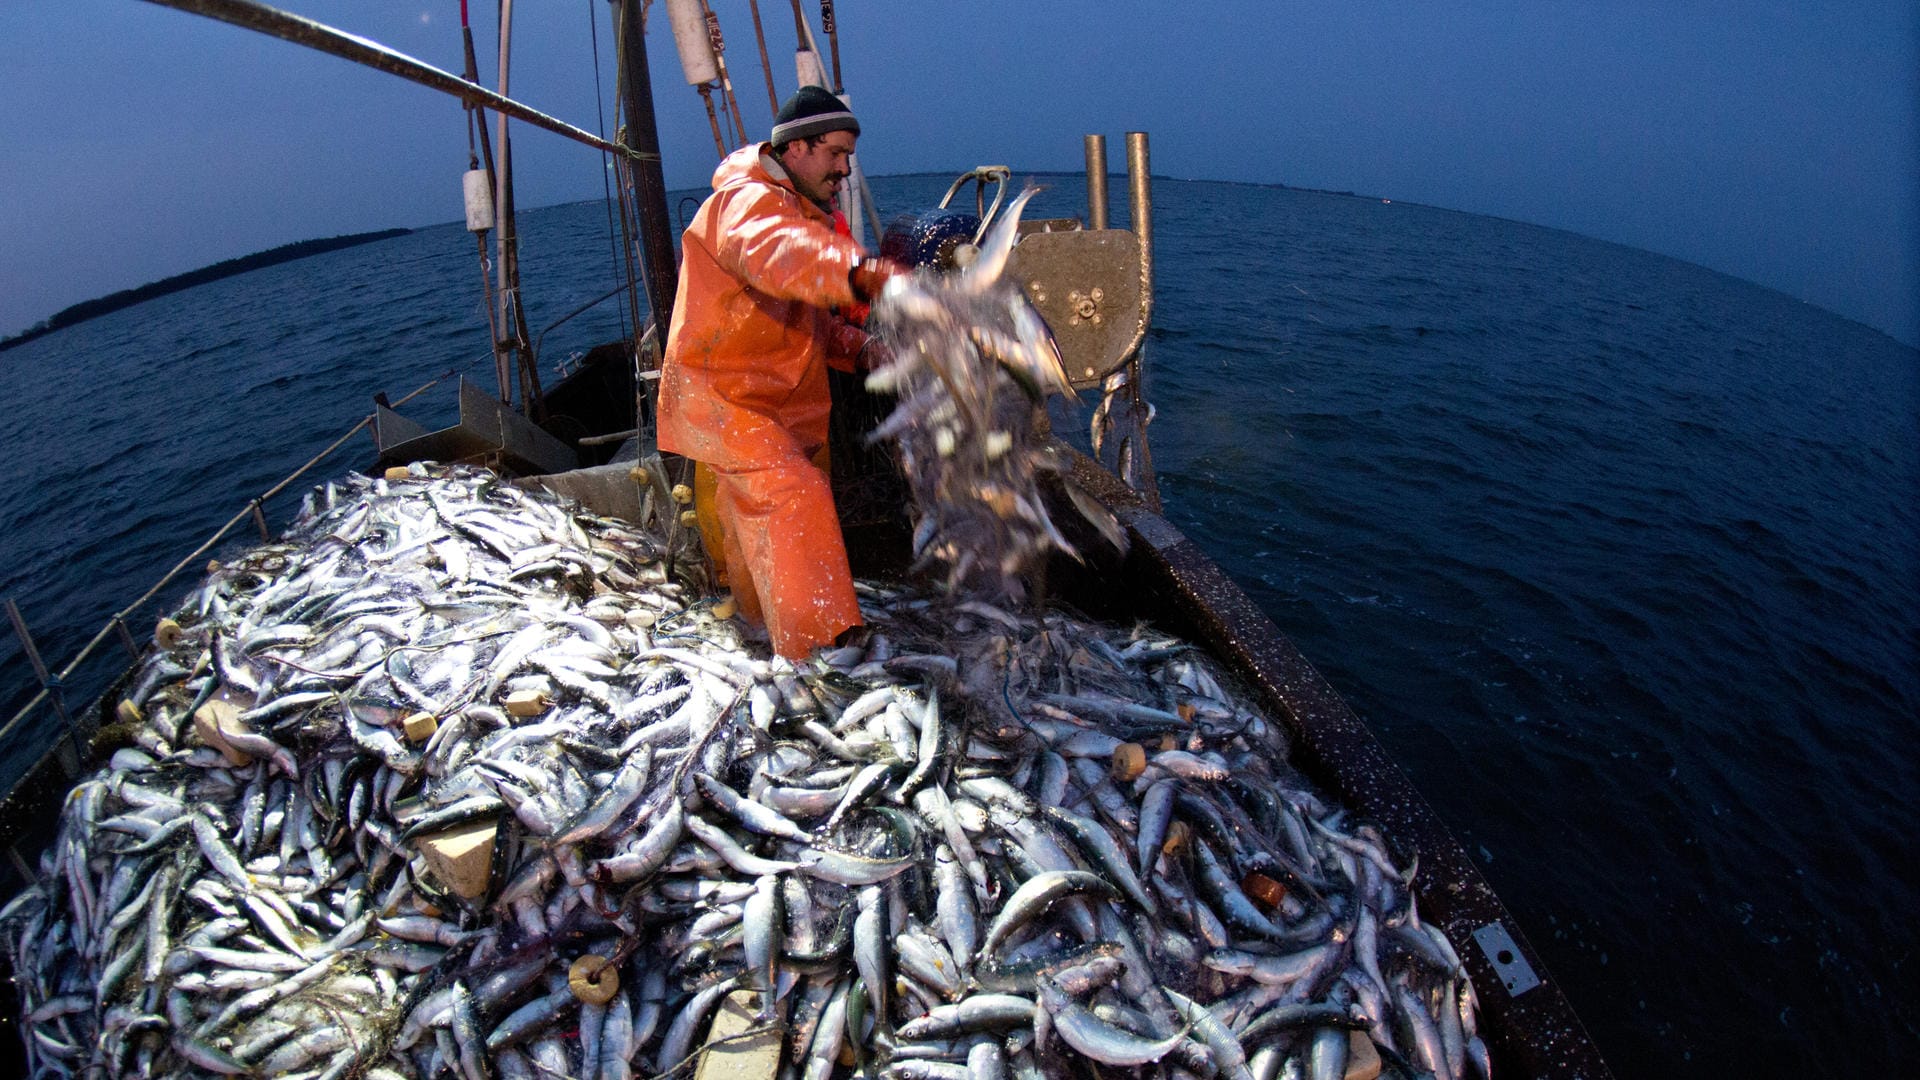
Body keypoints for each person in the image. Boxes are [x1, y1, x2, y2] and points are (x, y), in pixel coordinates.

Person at [656, 86, 907, 660]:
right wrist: (864, 275)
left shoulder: (798, 212)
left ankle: (758, 625)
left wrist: (863, 349)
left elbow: (804, 320)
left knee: (756, 527)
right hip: (726, 396)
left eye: (849, 156)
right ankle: (824, 653)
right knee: (793, 495)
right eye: (836, 152)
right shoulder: (746, 204)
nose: (846, 168)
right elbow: (778, 255)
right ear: (796, 147)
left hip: (776, 401)